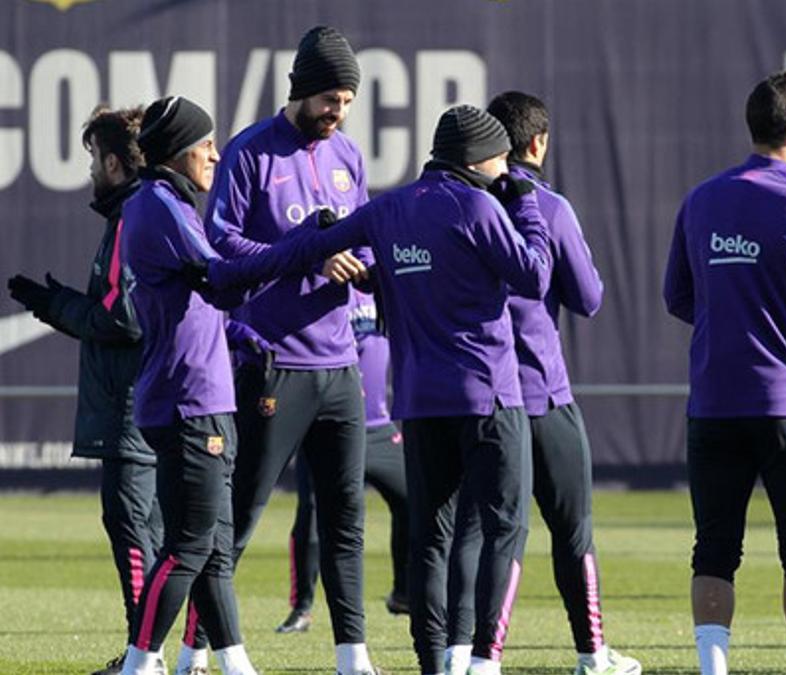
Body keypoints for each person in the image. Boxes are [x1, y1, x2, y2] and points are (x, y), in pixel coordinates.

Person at [200, 104, 552, 675]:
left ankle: (434, 664)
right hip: (489, 395)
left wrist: (303, 237)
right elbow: (535, 276)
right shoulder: (483, 205)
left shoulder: (389, 208)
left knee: (430, 539)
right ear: (480, 159)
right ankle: (485, 661)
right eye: (499, 157)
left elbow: (321, 243)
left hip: (419, 400)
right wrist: (527, 203)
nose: (504, 165)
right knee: (503, 528)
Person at [662, 71, 786, 675]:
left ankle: (713, 668)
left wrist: (730, 322)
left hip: (715, 400)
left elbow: (677, 296)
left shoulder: (702, 200)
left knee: (714, 550)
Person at [442, 91, 640, 675]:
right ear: (536, 143)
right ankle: (589, 653)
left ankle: (459, 655)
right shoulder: (547, 207)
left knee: (474, 531)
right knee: (571, 529)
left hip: (473, 394)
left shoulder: (455, 204)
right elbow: (589, 297)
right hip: (538, 392)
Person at [203, 25, 378, 675]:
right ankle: (200, 644)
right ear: (303, 90)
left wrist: (357, 263)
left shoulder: (349, 157)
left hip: (340, 363)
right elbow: (218, 246)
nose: (340, 112)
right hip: (272, 361)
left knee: (345, 516)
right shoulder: (250, 154)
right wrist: (303, 254)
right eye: (331, 99)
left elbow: (362, 240)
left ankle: (352, 653)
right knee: (240, 514)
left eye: (348, 101)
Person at [6, 106, 165, 675]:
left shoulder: (130, 220)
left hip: (133, 406)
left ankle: (146, 655)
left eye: (94, 159)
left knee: (133, 526)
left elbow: (123, 318)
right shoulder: (136, 214)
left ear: (116, 163)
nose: (91, 171)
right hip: (147, 399)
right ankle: (164, 653)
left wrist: (55, 306)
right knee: (156, 531)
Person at [117, 95, 257, 675]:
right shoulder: (160, 205)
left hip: (199, 398)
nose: (216, 155)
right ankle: (137, 662)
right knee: (191, 547)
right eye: (205, 145)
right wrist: (293, 257)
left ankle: (236, 665)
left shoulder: (164, 202)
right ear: (177, 152)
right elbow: (221, 281)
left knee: (214, 553)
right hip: (189, 401)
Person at [276, 288, 410, 634]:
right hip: (327, 426)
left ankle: (405, 593)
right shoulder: (325, 285)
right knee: (313, 514)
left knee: (414, 501)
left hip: (379, 427)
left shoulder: (381, 283)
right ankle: (301, 607)